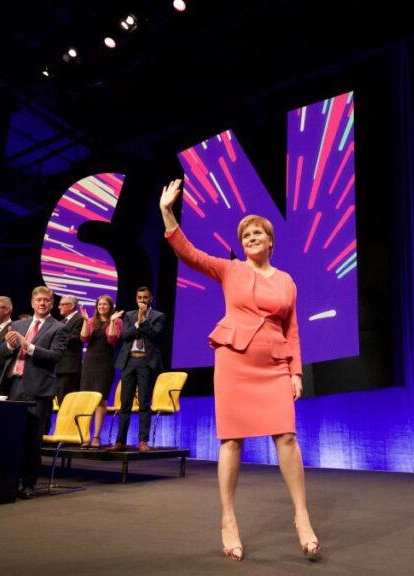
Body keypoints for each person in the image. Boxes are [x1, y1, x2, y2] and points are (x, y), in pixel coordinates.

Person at [159, 178, 320, 561]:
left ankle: (302, 516)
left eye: (257, 233)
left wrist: (296, 372)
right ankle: (228, 519)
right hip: (234, 362)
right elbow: (189, 254)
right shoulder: (230, 269)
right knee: (231, 441)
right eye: (246, 235)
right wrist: (167, 212)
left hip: (274, 365)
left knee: (287, 437)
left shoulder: (287, 281)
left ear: (270, 241)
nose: (250, 237)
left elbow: (292, 330)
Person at [0, 286, 68, 499]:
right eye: (39, 300)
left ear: (52, 304)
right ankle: (10, 481)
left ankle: (28, 484)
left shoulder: (58, 327)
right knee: (12, 437)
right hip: (14, 385)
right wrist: (10, 346)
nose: (42, 303)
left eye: (46, 300)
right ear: (32, 303)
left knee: (31, 439)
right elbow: (2, 353)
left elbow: (55, 356)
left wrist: (28, 347)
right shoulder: (18, 324)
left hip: (38, 389)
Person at [108, 286, 164, 453]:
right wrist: (138, 323)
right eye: (139, 297)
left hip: (146, 362)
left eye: (145, 297)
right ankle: (120, 441)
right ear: (136, 299)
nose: (142, 300)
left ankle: (143, 441)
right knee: (124, 404)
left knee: (144, 404)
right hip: (129, 362)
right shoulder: (130, 315)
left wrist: (144, 321)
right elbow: (125, 336)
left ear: (150, 299)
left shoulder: (158, 316)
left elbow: (155, 335)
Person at [79, 294, 124, 448]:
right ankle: (85, 436)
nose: (102, 307)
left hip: (105, 364)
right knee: (86, 399)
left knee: (100, 399)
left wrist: (111, 322)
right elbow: (84, 339)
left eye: (105, 304)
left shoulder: (117, 321)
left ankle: (96, 436)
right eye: (99, 304)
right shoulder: (92, 321)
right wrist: (85, 321)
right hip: (90, 363)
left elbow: (112, 339)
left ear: (110, 307)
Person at [55, 295, 85, 404]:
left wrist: (56, 340)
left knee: (67, 402)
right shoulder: (62, 321)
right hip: (58, 367)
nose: (59, 307)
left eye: (62, 304)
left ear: (71, 306)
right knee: (60, 400)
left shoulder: (80, 319)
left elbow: (74, 339)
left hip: (69, 367)